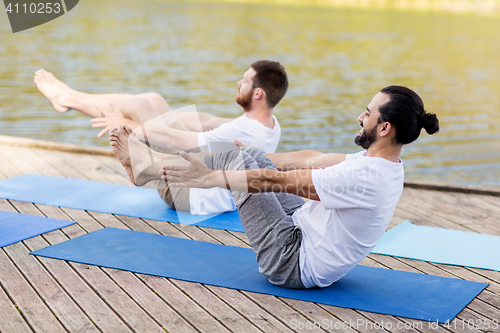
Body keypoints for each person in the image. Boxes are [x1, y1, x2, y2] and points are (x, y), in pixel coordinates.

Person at [109, 85, 439, 289]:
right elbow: (314, 157)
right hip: (306, 232)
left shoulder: (365, 178)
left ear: (384, 127)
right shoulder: (383, 162)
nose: (359, 117)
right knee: (249, 155)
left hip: (291, 261)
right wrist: (252, 154)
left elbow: (272, 181)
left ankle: (147, 169)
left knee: (243, 162)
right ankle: (148, 168)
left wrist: (210, 177)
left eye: (366, 114)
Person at [34, 60, 289, 214]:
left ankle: (68, 98)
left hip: (185, 193)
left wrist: (124, 122)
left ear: (257, 94)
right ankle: (69, 99)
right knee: (153, 100)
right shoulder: (268, 123)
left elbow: (172, 140)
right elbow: (206, 122)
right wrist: (159, 114)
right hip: (203, 185)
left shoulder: (240, 131)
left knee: (143, 106)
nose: (238, 83)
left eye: (244, 81)